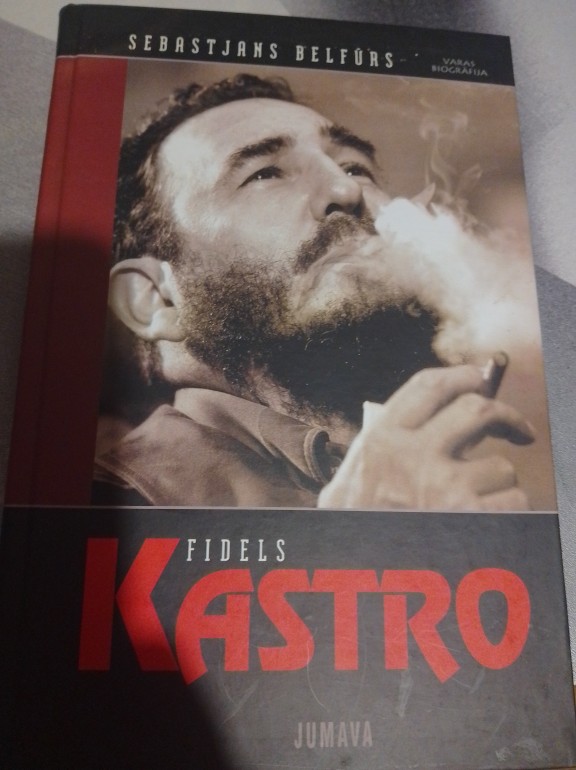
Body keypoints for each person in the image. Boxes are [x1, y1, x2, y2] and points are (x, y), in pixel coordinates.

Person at [92, 73, 534, 511]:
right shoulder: (106, 505)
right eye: (265, 174)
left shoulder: (453, 481)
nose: (346, 189)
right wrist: (364, 529)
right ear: (155, 299)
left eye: (355, 167)